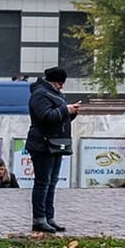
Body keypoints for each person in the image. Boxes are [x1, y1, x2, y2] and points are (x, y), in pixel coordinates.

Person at [26, 66, 79, 233]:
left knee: (52, 182)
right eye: (59, 83)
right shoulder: (40, 94)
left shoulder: (55, 94)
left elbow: (59, 117)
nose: (61, 86)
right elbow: (46, 117)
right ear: (52, 81)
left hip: (55, 143)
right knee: (43, 182)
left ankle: (49, 217)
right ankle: (39, 219)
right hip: (42, 144)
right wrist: (65, 109)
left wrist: (71, 112)